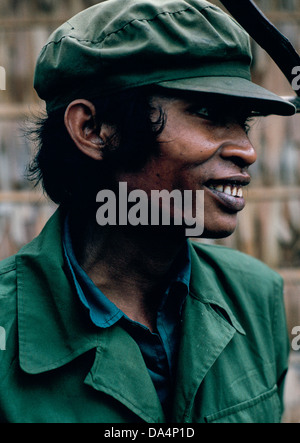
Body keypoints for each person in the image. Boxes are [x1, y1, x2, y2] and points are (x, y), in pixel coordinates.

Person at [0, 0, 294, 423]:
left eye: (243, 122)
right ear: (94, 130)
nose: (247, 150)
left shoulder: (255, 296)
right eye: (208, 113)